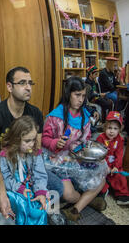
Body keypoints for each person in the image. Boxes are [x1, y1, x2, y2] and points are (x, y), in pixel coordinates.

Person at [0, 66, 64, 218]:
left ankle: (27, 201)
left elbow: (35, 152)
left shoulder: (35, 113)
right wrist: (2, 196)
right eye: (22, 83)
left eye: (30, 83)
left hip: (27, 168)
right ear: (9, 86)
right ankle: (20, 201)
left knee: (58, 187)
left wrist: (38, 188)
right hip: (4, 168)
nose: (28, 88)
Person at [42, 76, 107, 222]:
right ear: (68, 94)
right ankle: (88, 201)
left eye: (83, 96)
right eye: (77, 95)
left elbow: (87, 138)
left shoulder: (85, 115)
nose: (81, 100)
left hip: (76, 160)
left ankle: (75, 209)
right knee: (68, 194)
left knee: (101, 177)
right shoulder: (55, 117)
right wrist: (55, 143)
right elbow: (44, 139)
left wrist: (87, 149)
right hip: (56, 162)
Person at [0, 116, 48, 225]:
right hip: (14, 188)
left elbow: (39, 175)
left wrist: (40, 192)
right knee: (21, 204)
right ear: (16, 139)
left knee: (42, 203)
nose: (31, 144)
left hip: (31, 186)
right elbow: (5, 178)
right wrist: (19, 189)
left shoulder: (35, 153)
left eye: (34, 139)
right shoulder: (5, 155)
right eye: (27, 140)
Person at [96, 111, 129, 206]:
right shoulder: (101, 138)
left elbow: (119, 155)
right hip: (102, 165)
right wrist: (105, 166)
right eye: (109, 128)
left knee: (120, 177)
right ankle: (100, 194)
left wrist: (116, 167)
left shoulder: (120, 139)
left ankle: (123, 196)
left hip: (113, 166)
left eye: (115, 128)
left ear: (119, 129)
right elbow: (99, 154)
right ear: (105, 127)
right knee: (98, 178)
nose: (112, 131)